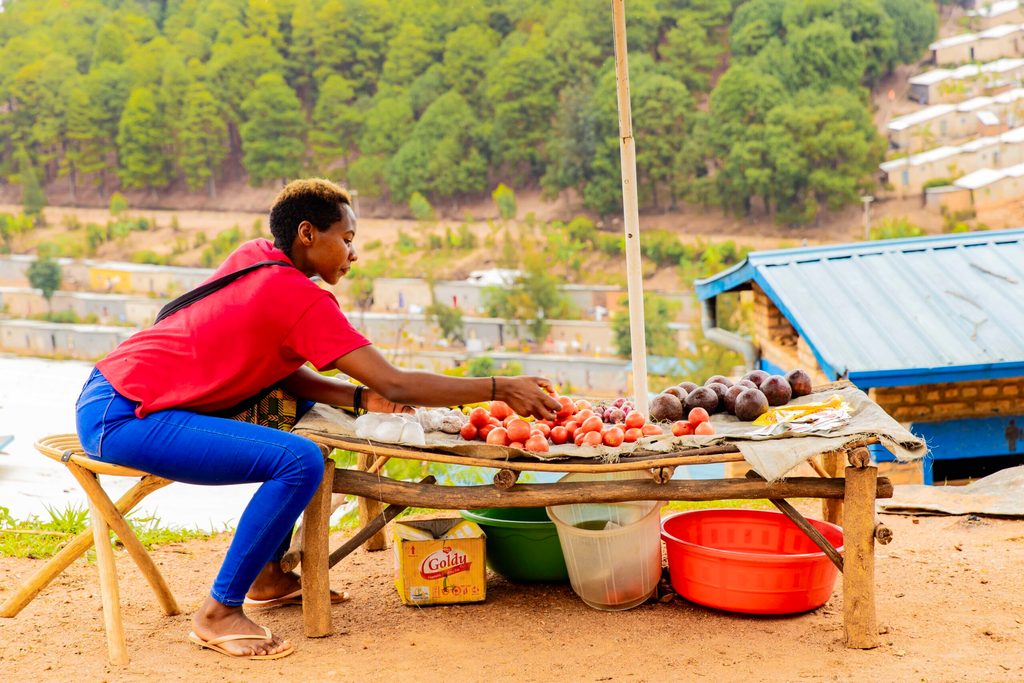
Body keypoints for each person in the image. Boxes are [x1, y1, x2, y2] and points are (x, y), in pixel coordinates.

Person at [75, 179, 560, 660]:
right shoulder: (299, 297)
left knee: (300, 421)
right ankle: (219, 612)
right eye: (346, 240)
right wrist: (499, 388)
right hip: (124, 416)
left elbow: (285, 373)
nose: (353, 254)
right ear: (307, 233)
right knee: (299, 459)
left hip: (118, 391)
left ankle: (267, 577)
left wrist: (356, 397)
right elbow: (395, 384)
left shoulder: (258, 256)